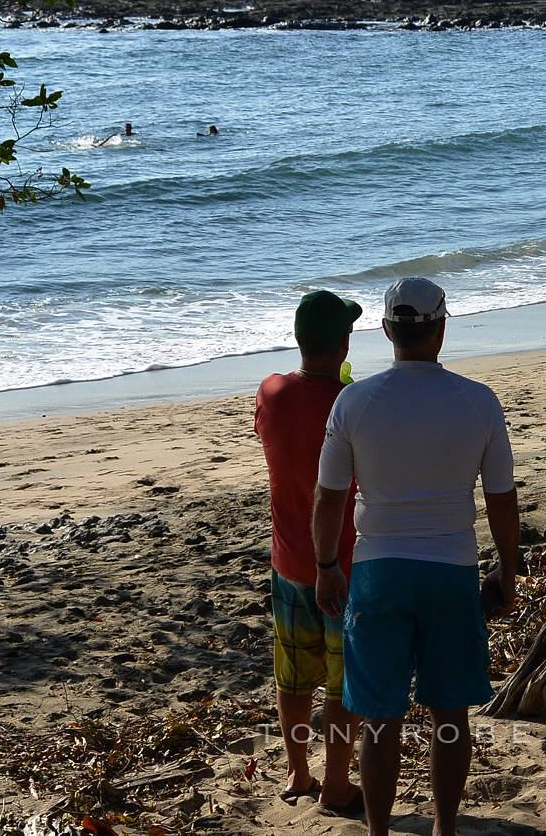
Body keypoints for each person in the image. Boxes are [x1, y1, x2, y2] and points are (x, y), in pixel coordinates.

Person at [312, 277, 520, 836]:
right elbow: (501, 498)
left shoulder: (354, 400)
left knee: (380, 718)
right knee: (450, 715)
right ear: (442, 327)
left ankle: (380, 832)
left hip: (379, 569)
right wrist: (507, 566)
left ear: (386, 331)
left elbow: (330, 496)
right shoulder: (477, 401)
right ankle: (444, 829)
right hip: (451, 568)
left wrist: (327, 565)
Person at [254, 289, 365, 815]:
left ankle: (298, 769)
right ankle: (336, 782)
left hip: (290, 560)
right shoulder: (353, 404)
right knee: (343, 682)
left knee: (294, 674)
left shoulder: (271, 393)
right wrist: (344, 389)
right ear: (343, 344)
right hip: (343, 561)